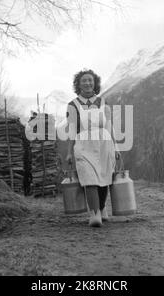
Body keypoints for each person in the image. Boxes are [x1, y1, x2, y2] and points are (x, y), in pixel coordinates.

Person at [65, 69, 121, 227]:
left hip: (104, 144)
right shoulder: (72, 105)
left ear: (95, 83)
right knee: (89, 177)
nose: (88, 83)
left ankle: (102, 208)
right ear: (78, 84)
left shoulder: (103, 103)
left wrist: (116, 148)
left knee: (104, 178)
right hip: (83, 145)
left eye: (90, 80)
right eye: (84, 80)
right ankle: (94, 214)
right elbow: (71, 130)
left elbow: (110, 127)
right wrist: (69, 152)